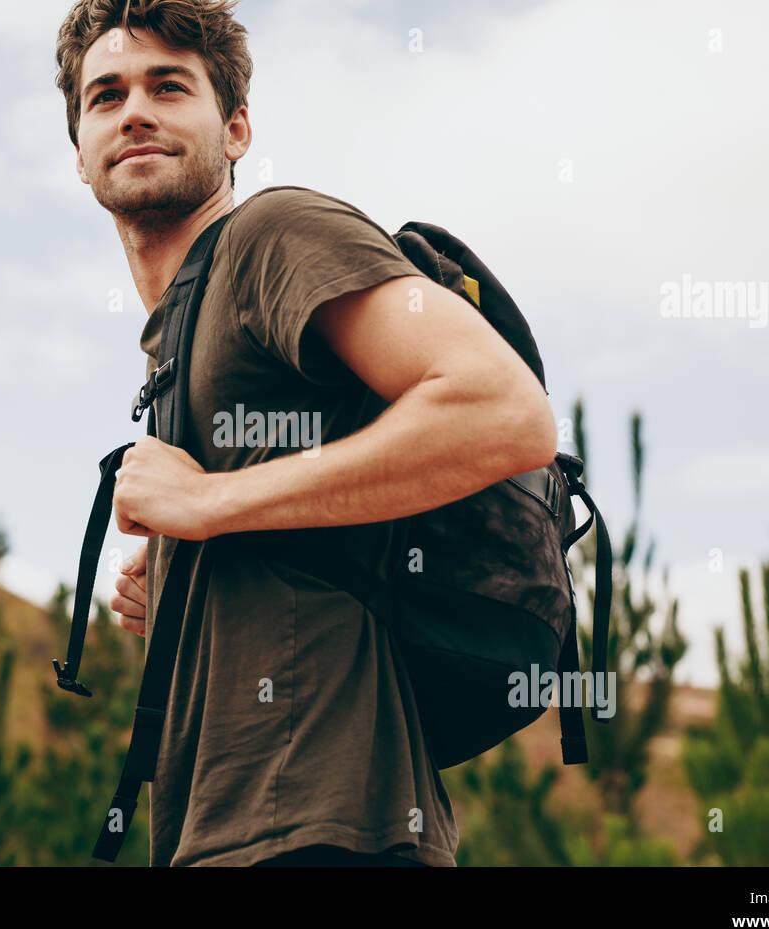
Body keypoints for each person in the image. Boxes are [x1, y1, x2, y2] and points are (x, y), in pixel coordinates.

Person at [54, 0, 556, 867]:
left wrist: (209, 502)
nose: (133, 110)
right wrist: (191, 570)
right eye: (105, 96)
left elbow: (502, 413)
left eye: (169, 87)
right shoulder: (176, 334)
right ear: (79, 153)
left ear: (236, 128)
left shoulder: (274, 235)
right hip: (224, 831)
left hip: (326, 828)